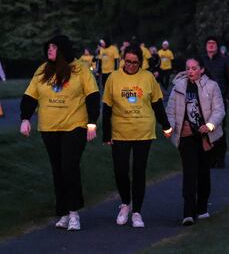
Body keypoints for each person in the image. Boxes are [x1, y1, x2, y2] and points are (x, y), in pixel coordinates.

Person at [19, 35, 100, 231]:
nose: (50, 50)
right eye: (48, 47)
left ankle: (74, 213)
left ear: (63, 49)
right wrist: (25, 118)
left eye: (54, 47)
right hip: (49, 128)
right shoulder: (42, 70)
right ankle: (63, 212)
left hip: (74, 126)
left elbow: (92, 96)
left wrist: (92, 123)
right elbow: (30, 96)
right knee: (57, 170)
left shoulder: (80, 69)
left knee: (69, 166)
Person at [102, 45, 171, 228]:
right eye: (128, 61)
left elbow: (157, 104)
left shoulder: (148, 78)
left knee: (139, 171)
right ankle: (125, 203)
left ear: (140, 62)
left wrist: (166, 125)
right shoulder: (113, 78)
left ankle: (137, 212)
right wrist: (106, 133)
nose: (131, 65)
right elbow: (107, 107)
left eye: (135, 62)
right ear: (124, 59)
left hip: (143, 131)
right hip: (120, 131)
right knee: (120, 170)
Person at [166, 58, 225, 225]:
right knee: (189, 171)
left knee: (203, 172)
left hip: (205, 135)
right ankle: (188, 212)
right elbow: (171, 110)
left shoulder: (212, 86)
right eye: (188, 68)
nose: (190, 71)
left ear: (202, 69)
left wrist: (210, 125)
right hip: (185, 134)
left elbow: (219, 109)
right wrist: (170, 128)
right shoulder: (179, 87)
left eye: (194, 68)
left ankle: (202, 207)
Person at [200, 36, 229, 168]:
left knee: (219, 129)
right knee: (205, 129)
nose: (211, 45)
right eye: (208, 43)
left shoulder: (225, 60)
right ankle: (209, 158)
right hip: (203, 100)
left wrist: (228, 96)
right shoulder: (201, 60)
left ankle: (220, 159)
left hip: (219, 100)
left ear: (217, 45)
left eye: (213, 43)